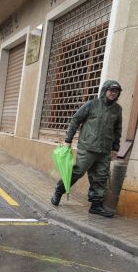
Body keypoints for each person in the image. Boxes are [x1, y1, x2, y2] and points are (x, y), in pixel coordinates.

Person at [50, 80, 122, 217]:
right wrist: (68, 140)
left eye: (116, 91)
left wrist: (115, 147)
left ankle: (95, 205)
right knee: (78, 172)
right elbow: (75, 120)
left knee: (100, 177)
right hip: (87, 147)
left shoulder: (118, 110)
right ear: (105, 90)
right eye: (111, 90)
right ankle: (59, 190)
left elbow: (117, 130)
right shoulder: (92, 104)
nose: (113, 93)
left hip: (104, 150)